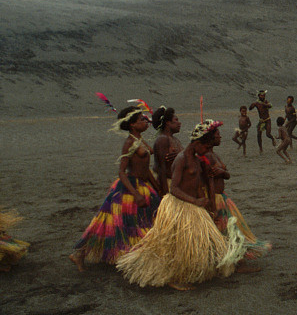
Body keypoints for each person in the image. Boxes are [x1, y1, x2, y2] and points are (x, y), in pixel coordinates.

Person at [116, 120, 244, 289]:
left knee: (199, 242)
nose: (206, 151)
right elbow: (174, 189)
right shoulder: (182, 159)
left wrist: (207, 205)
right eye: (205, 147)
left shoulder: (198, 159)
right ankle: (174, 278)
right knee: (175, 245)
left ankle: (190, 272)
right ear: (197, 144)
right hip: (178, 206)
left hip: (193, 206)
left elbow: (199, 184)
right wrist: (195, 201)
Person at [70, 106, 161, 271]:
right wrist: (135, 194)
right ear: (132, 125)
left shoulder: (139, 140)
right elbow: (121, 172)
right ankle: (80, 253)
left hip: (143, 186)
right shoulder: (129, 143)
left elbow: (146, 169)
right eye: (142, 119)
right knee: (114, 225)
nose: (146, 121)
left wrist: (159, 189)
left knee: (133, 224)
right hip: (130, 189)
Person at [206, 124, 270, 266]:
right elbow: (210, 179)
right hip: (215, 198)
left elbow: (226, 175)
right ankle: (236, 263)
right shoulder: (208, 156)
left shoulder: (213, 154)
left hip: (222, 197)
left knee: (230, 231)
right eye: (217, 134)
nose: (220, 137)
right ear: (210, 137)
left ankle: (233, 261)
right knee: (228, 231)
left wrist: (222, 173)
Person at [151, 105, 183, 195]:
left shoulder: (175, 139)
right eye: (176, 120)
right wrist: (165, 193)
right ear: (168, 123)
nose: (179, 123)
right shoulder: (163, 139)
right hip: (168, 185)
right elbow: (161, 168)